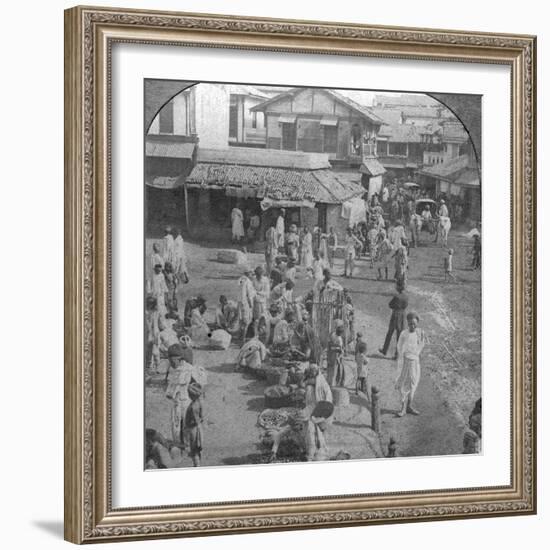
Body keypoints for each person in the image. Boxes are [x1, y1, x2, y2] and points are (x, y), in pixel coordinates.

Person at [396, 312, 425, 416]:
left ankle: (409, 406)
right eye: (410, 324)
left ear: (417, 323)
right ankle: (403, 408)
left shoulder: (420, 333)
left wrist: (416, 354)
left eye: (414, 324)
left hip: (415, 362)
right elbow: (399, 346)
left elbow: (421, 345)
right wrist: (403, 356)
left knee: (413, 383)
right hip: (405, 362)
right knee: (404, 384)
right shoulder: (404, 333)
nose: (412, 326)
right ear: (407, 323)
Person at [379, 281, 408, 358]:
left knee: (390, 333)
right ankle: (397, 354)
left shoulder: (396, 297)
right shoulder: (406, 296)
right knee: (399, 335)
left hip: (395, 315)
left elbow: (390, 305)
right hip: (402, 315)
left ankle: (385, 350)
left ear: (398, 287)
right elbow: (406, 305)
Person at [185, 382, 204, 467]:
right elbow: (201, 417)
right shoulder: (199, 402)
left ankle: (197, 465)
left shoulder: (193, 407)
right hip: (198, 428)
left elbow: (196, 420)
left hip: (194, 430)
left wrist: (188, 426)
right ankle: (198, 463)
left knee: (194, 450)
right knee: (197, 449)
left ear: (192, 395)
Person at [145, 296, 162, 372]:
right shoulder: (145, 312)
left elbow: (160, 323)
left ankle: (157, 366)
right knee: (148, 351)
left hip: (154, 333)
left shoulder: (156, 312)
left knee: (155, 351)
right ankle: (149, 366)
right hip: (147, 333)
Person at [238, 268, 255, 341]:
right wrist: (251, 304)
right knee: (246, 321)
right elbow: (249, 295)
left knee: (241, 320)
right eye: (251, 274)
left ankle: (240, 336)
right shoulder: (247, 281)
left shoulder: (240, 280)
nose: (252, 275)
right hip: (245, 303)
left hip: (239, 302)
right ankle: (243, 338)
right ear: (248, 274)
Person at [252, 266, 270, 333]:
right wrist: (255, 294)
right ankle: (255, 332)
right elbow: (252, 290)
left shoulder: (265, 280)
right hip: (255, 301)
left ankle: (262, 331)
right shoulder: (254, 279)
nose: (258, 276)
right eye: (257, 275)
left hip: (263, 302)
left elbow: (267, 293)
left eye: (259, 275)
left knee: (263, 318)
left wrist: (258, 292)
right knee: (256, 318)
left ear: (262, 274)